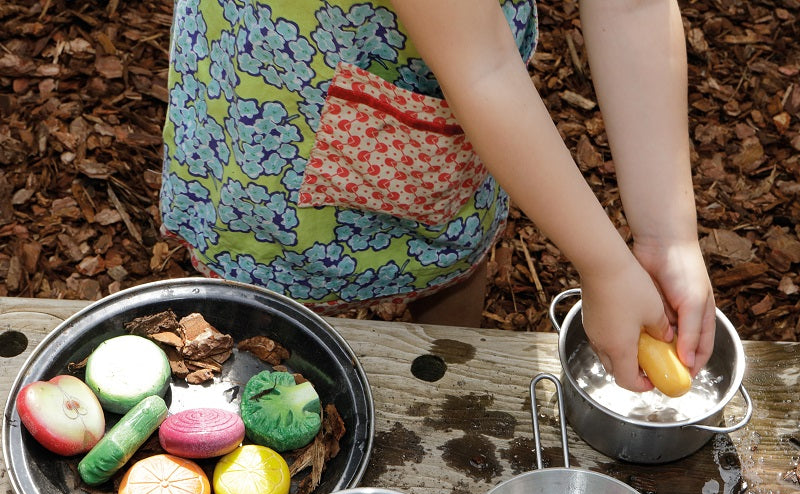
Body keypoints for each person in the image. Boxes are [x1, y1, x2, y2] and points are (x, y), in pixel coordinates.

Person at [160, 0, 716, 393]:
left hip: (450, 84)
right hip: (288, 84)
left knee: (449, 240)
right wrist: (607, 269)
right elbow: (480, 65)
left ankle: (452, 374)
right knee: (269, 293)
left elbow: (632, 6)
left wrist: (667, 234)